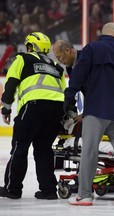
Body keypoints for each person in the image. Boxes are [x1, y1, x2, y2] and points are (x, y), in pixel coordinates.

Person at [64, 22, 114, 206]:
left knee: (89, 151)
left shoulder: (91, 49)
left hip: (96, 111)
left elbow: (78, 75)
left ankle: (84, 195)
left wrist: (69, 96)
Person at [0, 32, 66, 200]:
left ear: (30, 46)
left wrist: (6, 108)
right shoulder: (57, 68)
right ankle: (49, 190)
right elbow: (65, 92)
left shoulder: (23, 59)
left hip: (33, 108)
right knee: (44, 150)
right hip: (56, 111)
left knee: (19, 149)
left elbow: (11, 83)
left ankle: (13, 189)